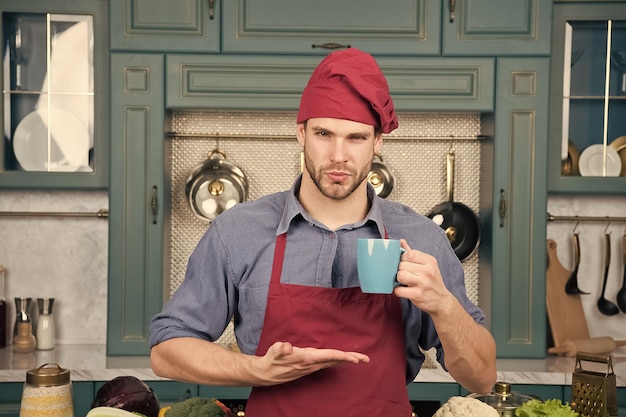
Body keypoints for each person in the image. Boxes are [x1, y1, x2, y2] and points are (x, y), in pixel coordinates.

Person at [150, 48, 497, 416]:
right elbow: (166, 351)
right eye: (323, 133)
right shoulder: (238, 232)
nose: (338, 155)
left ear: (378, 141)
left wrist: (444, 306)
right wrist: (257, 369)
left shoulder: (421, 237)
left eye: (356, 138)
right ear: (301, 133)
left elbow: (482, 378)